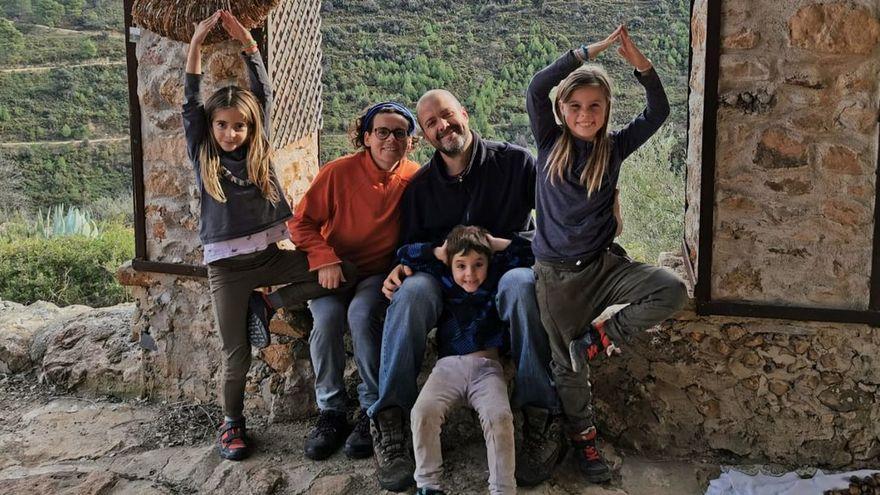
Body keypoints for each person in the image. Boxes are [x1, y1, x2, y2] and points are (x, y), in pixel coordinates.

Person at [369, 88, 563, 491]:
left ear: (465, 112)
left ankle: (541, 420)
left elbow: (550, 233)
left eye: (447, 115)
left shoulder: (515, 164)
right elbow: (407, 248)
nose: (443, 126)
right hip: (447, 289)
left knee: (522, 285)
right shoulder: (422, 188)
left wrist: (501, 246)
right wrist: (427, 256)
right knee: (410, 295)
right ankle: (390, 424)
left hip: (504, 276)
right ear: (424, 135)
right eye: (431, 123)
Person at [183, 11, 356, 461]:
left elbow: (264, 92)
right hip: (226, 269)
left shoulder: (259, 150)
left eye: (237, 125)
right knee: (235, 353)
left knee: (342, 271)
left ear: (250, 127)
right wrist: (197, 45)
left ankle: (270, 303)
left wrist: (248, 44)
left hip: (270, 258)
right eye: (222, 125)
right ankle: (233, 425)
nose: (229, 132)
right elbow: (188, 103)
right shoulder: (203, 152)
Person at [526, 25, 687, 483]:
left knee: (671, 290)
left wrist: (641, 64)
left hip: (604, 266)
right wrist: (586, 52)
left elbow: (659, 110)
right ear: (561, 110)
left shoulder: (614, 148)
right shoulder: (548, 141)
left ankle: (599, 338)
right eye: (575, 106)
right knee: (567, 366)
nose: (585, 114)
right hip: (557, 277)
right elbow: (537, 86)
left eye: (595, 106)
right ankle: (583, 439)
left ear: (607, 110)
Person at [290, 102, 420, 461]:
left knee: (363, 316)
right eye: (382, 131)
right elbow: (300, 223)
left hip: (376, 273)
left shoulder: (415, 179)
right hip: (334, 270)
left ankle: (370, 409)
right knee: (328, 318)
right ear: (366, 137)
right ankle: (330, 410)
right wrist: (324, 257)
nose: (390, 139)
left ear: (411, 141)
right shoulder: (338, 173)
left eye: (400, 132)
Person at [400, 225, 531, 495]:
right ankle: (428, 484)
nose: (470, 274)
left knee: (500, 418)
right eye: (461, 265)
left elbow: (531, 252)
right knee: (422, 412)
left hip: (487, 370)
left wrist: (495, 243)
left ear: (488, 262)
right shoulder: (445, 279)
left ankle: (503, 488)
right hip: (447, 368)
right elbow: (405, 254)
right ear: (450, 264)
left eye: (478, 264)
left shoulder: (495, 278)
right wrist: (437, 251)